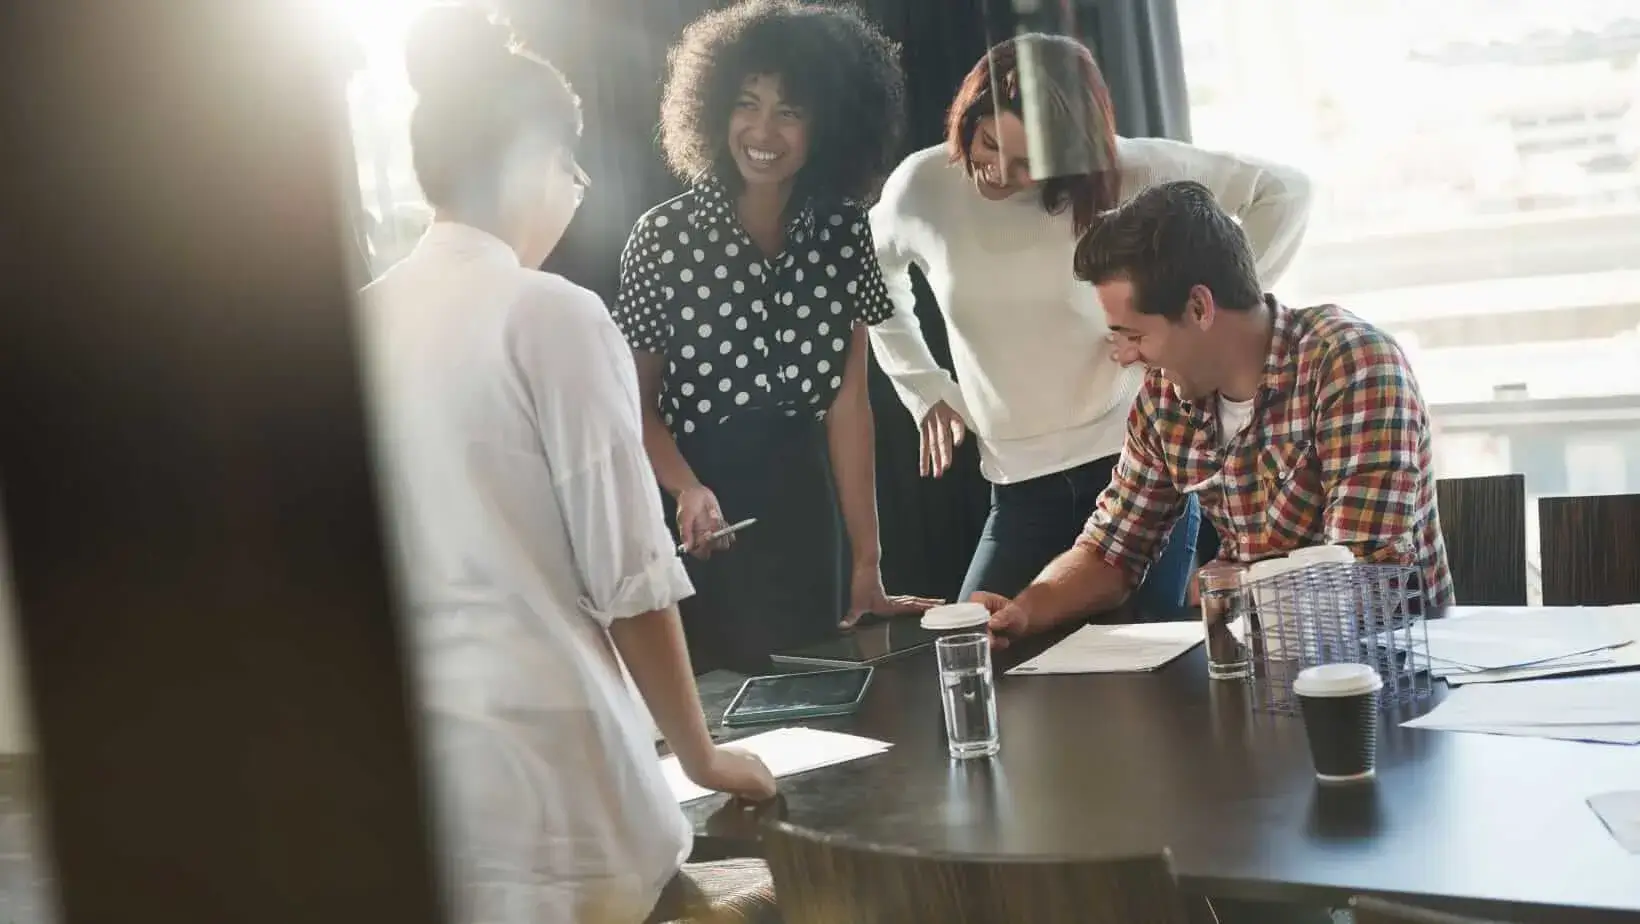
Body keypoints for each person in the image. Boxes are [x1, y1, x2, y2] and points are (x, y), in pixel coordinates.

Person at [357, 7, 779, 923]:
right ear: (531, 160)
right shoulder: (551, 312)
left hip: (414, 779)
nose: (577, 190)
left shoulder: (359, 319)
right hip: (557, 776)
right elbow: (630, 573)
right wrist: (703, 757)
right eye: (571, 168)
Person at [868, 33, 1313, 612]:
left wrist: (1191, 323)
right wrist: (924, 387)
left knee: (1146, 671)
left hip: (1138, 471)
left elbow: (1284, 194)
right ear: (968, 119)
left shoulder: (1130, 171)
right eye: (988, 144)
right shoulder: (922, 187)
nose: (999, 173)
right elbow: (871, 277)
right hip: (1017, 488)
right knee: (978, 652)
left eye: (1027, 163)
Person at [981, 179, 1454, 648]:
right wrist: (1025, 610)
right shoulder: (1163, 399)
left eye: (1136, 335)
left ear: (1199, 307)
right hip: (1257, 672)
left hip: (1391, 673)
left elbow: (1367, 582)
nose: (1125, 355)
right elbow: (1111, 552)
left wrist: (1241, 587)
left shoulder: (1351, 363)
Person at [612, 0, 937, 675]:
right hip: (698, 511)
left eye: (789, 110)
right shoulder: (661, 240)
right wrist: (687, 492)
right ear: (712, 108)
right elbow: (633, 406)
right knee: (724, 718)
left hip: (802, 508)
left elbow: (849, 408)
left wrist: (867, 564)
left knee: (826, 707)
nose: (762, 130)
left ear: (829, 122)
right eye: (745, 103)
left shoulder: (845, 232)